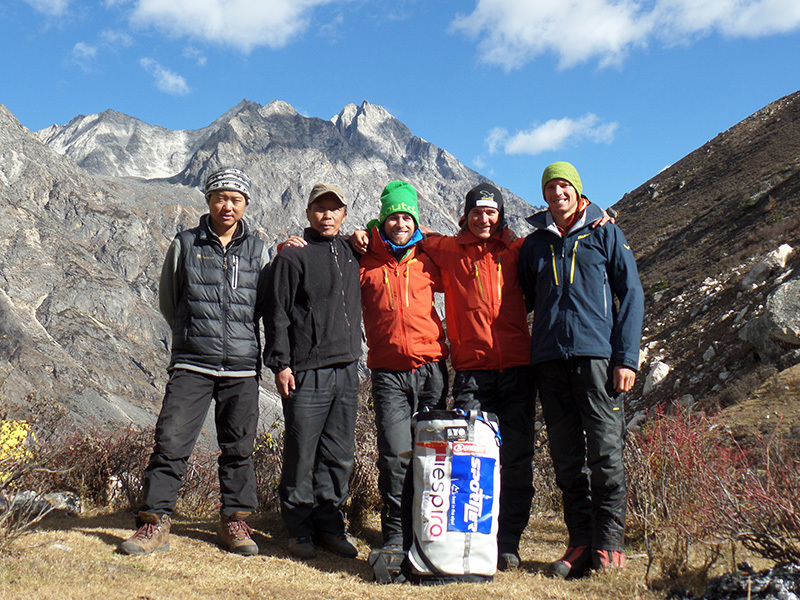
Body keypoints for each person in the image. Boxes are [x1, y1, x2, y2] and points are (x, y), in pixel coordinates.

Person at [119, 167, 268, 557]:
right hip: (192, 363)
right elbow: (169, 300)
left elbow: (267, 305)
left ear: (246, 204)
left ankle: (234, 521)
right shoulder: (186, 244)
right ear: (208, 200)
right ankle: (154, 522)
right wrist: (190, 336)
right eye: (220, 197)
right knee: (170, 442)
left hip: (241, 366)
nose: (227, 205)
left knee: (238, 447)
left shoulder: (259, 250)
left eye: (236, 199)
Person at [517, 161, 644, 578]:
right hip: (550, 361)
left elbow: (632, 294)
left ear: (577, 190)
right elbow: (520, 298)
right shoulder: (535, 244)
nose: (558, 193)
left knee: (605, 453)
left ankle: (609, 545)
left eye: (564, 186)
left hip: (597, 360)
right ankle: (580, 541)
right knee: (567, 457)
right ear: (544, 195)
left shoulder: (605, 231)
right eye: (550, 187)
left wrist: (626, 357)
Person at [417, 184, 535, 571]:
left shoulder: (517, 252)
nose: (485, 219)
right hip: (472, 372)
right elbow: (403, 235)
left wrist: (603, 224)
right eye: (477, 212)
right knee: (468, 457)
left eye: (492, 212)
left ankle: (507, 542)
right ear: (465, 214)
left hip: (518, 368)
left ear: (501, 215)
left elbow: (556, 242)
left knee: (516, 459)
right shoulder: (447, 249)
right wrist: (365, 230)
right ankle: (470, 536)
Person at [264, 183, 362, 561]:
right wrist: (281, 363)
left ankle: (330, 527)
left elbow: (389, 234)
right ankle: (299, 529)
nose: (327, 215)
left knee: (339, 454)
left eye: (334, 209)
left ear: (344, 213)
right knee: (302, 452)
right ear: (308, 214)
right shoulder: (293, 257)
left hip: (348, 368)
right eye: (319, 209)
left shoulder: (353, 251)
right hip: (307, 370)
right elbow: (277, 314)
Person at [359, 181, 449, 552]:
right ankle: (395, 534)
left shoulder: (429, 258)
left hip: (432, 370)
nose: (400, 223)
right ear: (382, 221)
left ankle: (429, 533)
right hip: (388, 374)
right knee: (396, 456)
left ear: (415, 221)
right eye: (393, 216)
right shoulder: (364, 259)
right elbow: (324, 260)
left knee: (432, 457)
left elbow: (466, 262)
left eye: (406, 216)